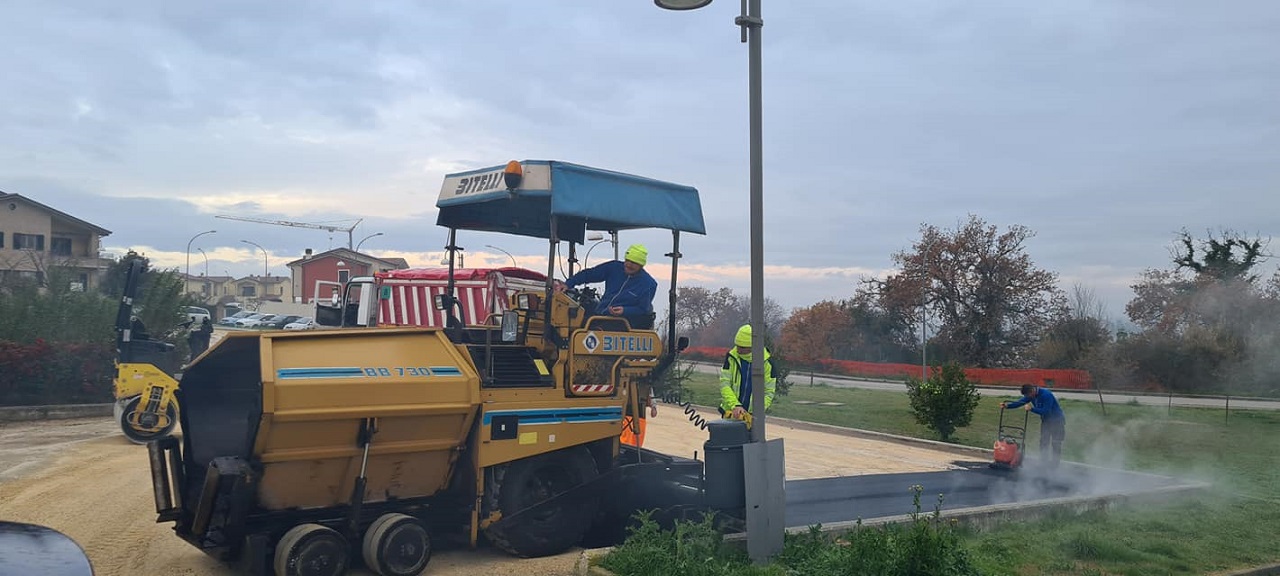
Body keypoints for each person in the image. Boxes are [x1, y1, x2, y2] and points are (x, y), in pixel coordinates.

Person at [556, 244, 657, 320]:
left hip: (621, 323)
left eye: (634, 263)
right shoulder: (614, 267)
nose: (629, 265)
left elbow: (643, 310)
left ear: (641, 265)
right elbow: (589, 274)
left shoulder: (648, 284)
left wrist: (625, 311)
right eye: (628, 260)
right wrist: (568, 284)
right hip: (599, 314)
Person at [718, 324, 776, 421]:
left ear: (752, 347)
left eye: (742, 347)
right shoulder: (731, 358)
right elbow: (725, 384)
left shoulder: (767, 364)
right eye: (737, 346)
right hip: (730, 413)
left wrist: (756, 412)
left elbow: (769, 392)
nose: (738, 350)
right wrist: (735, 405)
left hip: (753, 418)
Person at [1002, 384, 1066, 468]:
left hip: (1057, 421)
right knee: (1043, 442)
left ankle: (1055, 464)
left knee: (1056, 443)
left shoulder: (1046, 395)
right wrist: (1007, 406)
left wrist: (1032, 409)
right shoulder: (1031, 395)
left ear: (1032, 390)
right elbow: (1020, 402)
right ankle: (1043, 462)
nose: (1027, 397)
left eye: (1028, 395)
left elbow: (1046, 411)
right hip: (1046, 421)